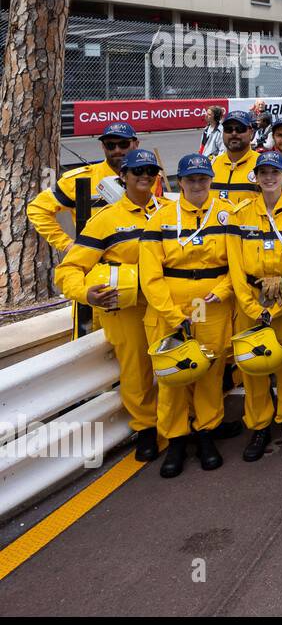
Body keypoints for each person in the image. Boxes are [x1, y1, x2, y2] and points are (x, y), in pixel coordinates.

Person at [55, 148, 165, 462]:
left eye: (150, 172)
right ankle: (146, 429)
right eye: (137, 172)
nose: (144, 177)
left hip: (168, 305)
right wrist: (86, 293)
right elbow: (69, 270)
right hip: (127, 308)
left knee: (177, 363)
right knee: (136, 371)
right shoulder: (106, 220)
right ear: (122, 177)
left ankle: (187, 423)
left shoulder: (170, 211)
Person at [138, 153, 238, 478]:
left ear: (210, 180)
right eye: (191, 179)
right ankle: (176, 439)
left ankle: (206, 432)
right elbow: (149, 274)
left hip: (211, 305)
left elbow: (237, 264)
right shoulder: (161, 218)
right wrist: (169, 313)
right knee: (172, 378)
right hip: (170, 304)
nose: (197, 184)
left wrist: (222, 291)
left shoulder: (226, 214)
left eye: (203, 178)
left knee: (210, 371)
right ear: (178, 182)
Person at [226, 151, 282, 461]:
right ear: (256, 177)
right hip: (252, 299)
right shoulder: (240, 213)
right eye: (264, 172)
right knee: (253, 366)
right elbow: (234, 265)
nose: (270, 177)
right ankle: (259, 425)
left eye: (275, 171)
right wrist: (250, 305)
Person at [28, 122, 140, 255]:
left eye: (123, 144)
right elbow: (37, 209)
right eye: (110, 145)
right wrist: (67, 245)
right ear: (103, 147)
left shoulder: (150, 177)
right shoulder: (78, 180)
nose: (117, 150)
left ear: (136, 144)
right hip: (98, 264)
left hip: (143, 259)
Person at [210, 109, 260, 203]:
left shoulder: (262, 165)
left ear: (251, 133)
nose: (234, 133)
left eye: (240, 129)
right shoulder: (211, 165)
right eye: (228, 129)